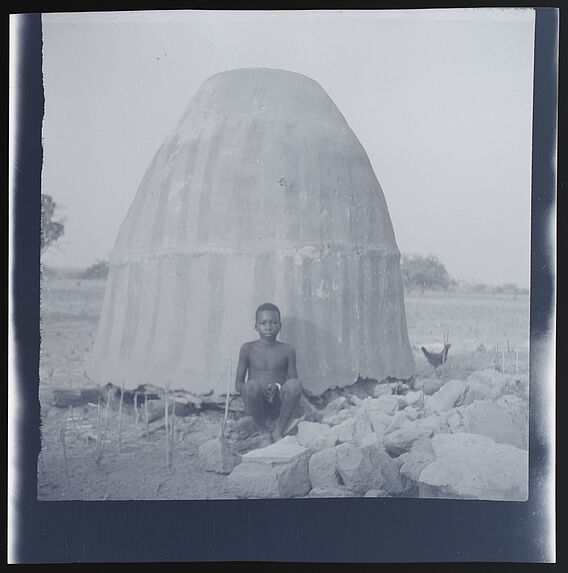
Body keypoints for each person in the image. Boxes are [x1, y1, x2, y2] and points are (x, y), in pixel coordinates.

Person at [235, 303, 303, 442]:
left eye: (273, 322)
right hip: (257, 402)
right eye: (263, 323)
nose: (268, 327)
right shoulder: (248, 349)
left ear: (280, 325)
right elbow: (238, 384)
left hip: (278, 402)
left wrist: (277, 388)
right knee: (251, 385)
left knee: (296, 385)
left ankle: (279, 429)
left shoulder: (288, 350)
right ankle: (263, 431)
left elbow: (292, 382)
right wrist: (257, 388)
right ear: (256, 326)